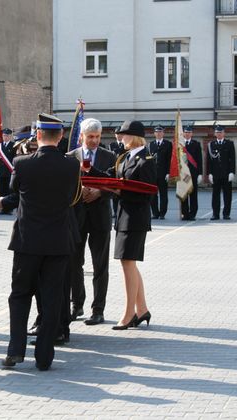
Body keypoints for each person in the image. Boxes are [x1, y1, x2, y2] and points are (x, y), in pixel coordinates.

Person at [2, 113, 80, 371]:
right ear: (60, 137)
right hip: (58, 242)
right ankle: (44, 356)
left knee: (20, 295)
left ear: (37, 135)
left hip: (27, 242)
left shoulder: (22, 163)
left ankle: (15, 350)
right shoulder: (72, 165)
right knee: (52, 299)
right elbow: (71, 196)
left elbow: (15, 190)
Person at [85, 120, 154, 330]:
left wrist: (120, 191)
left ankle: (129, 313)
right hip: (123, 216)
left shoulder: (147, 160)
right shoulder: (124, 157)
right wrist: (89, 170)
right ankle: (142, 310)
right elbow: (110, 177)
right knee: (129, 263)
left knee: (127, 263)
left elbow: (148, 192)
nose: (120, 138)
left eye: (124, 135)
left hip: (136, 218)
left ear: (133, 137)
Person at [68, 118, 116, 326]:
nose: (94, 141)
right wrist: (81, 192)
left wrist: (99, 192)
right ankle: (76, 304)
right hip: (76, 217)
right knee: (73, 263)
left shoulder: (110, 157)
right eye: (90, 137)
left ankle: (98, 310)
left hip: (100, 218)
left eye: (97, 137)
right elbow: (65, 186)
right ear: (82, 136)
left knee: (100, 265)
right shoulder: (70, 158)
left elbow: (115, 185)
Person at [208, 125, 235, 220]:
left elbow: (232, 159)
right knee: (215, 195)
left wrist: (232, 172)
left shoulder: (229, 144)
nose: (219, 134)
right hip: (215, 174)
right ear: (215, 133)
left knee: (227, 195)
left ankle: (226, 213)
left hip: (226, 174)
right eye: (217, 132)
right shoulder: (211, 144)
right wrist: (209, 173)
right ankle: (215, 214)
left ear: (224, 133)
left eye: (221, 132)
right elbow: (209, 160)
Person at [148, 125, 171, 220]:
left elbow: (170, 159)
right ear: (154, 134)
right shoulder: (151, 144)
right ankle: (155, 213)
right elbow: (148, 160)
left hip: (163, 173)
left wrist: (168, 172)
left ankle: (162, 213)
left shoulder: (168, 144)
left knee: (163, 194)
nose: (158, 134)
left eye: (160, 132)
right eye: (157, 132)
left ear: (163, 133)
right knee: (153, 194)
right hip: (153, 173)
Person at [181, 126, 203, 221]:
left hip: (193, 173)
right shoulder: (180, 145)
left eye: (189, 132)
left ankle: (193, 213)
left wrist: (200, 174)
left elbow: (199, 160)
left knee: (193, 194)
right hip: (183, 173)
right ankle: (184, 213)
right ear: (183, 133)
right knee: (184, 194)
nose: (187, 134)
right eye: (186, 132)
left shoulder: (196, 144)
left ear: (192, 134)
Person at [0, 128, 16, 213]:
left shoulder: (13, 145)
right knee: (1, 190)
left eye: (7, 135)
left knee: (8, 190)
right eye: (4, 135)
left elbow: (14, 158)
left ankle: (9, 208)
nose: (5, 137)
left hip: (10, 172)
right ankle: (2, 207)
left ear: (10, 136)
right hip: (0, 171)